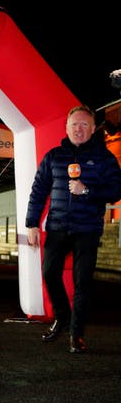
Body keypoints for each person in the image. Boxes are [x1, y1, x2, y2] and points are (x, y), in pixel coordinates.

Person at [26, 105, 121, 354]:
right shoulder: (53, 156)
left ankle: (76, 334)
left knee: (82, 283)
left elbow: (116, 190)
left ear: (92, 128)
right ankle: (62, 316)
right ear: (66, 128)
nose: (79, 129)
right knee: (49, 273)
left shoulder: (104, 157)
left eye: (84, 125)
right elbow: (38, 191)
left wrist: (86, 190)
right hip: (57, 226)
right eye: (74, 125)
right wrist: (32, 223)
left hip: (87, 229)